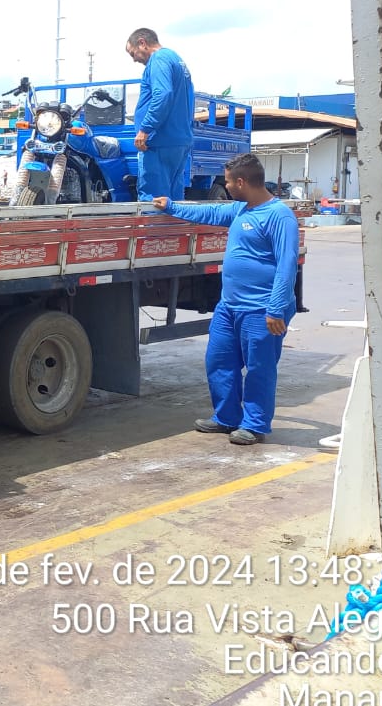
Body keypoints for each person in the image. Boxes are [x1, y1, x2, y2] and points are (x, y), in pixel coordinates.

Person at [152, 153, 299, 445]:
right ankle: (226, 417)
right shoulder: (240, 210)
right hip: (229, 306)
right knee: (219, 360)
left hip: (261, 310)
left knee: (259, 368)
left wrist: (276, 308)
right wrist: (170, 206)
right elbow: (207, 213)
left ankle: (255, 424)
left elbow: (287, 264)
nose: (226, 185)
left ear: (242, 182)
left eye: (229, 181)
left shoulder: (278, 215)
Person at [126, 28, 195, 201]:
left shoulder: (158, 60)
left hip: (159, 142)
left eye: (132, 53)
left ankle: (154, 229)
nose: (134, 59)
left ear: (142, 43)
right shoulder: (176, 59)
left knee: (154, 201)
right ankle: (172, 229)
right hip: (178, 140)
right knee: (173, 202)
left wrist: (145, 129)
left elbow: (163, 94)